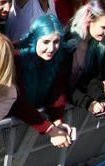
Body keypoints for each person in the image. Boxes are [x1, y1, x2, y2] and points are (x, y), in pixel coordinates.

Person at [10, 14, 74, 148]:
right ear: (34, 38)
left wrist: (57, 121)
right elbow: (16, 100)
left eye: (56, 42)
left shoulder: (59, 56)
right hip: (8, 120)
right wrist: (50, 129)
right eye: (45, 42)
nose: (51, 48)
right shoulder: (15, 57)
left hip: (33, 120)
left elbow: (58, 91)